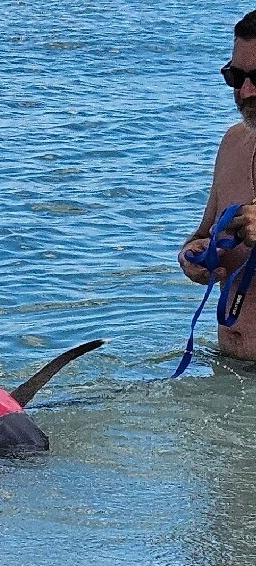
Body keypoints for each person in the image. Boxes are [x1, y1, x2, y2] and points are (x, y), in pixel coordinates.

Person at [179, 10, 256, 360]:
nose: (246, 92)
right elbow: (203, 233)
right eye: (235, 77)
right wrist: (193, 255)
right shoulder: (233, 143)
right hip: (226, 366)